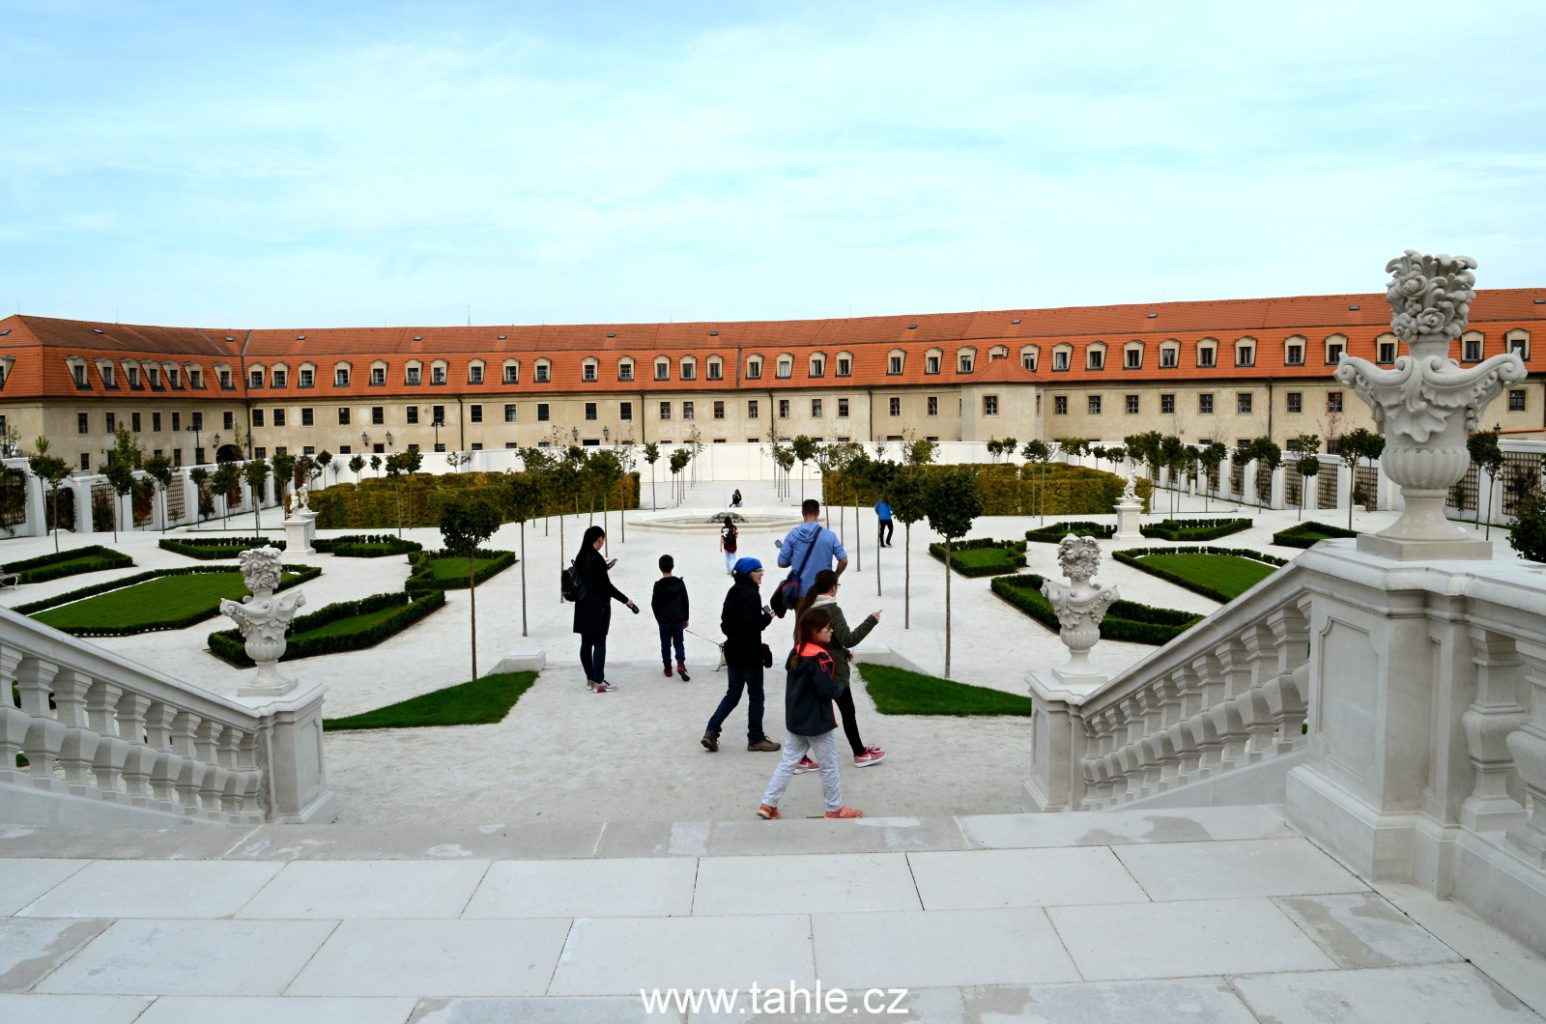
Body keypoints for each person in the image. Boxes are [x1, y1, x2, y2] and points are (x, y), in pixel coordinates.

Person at [756, 606, 863, 820]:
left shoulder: (796, 652)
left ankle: (768, 803)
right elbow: (825, 691)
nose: (831, 632)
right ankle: (834, 808)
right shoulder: (820, 658)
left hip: (797, 718)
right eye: (827, 629)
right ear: (814, 632)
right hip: (818, 721)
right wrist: (840, 686)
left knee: (787, 762)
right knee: (829, 765)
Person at [791, 570, 885, 770]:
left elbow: (824, 639)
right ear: (833, 587)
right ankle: (859, 753)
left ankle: (799, 759)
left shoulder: (808, 607)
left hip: (813, 665)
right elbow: (849, 638)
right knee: (847, 711)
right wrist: (872, 620)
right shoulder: (832, 609)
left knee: (813, 712)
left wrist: (841, 650)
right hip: (833, 670)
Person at [702, 557, 780, 753]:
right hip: (749, 654)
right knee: (756, 696)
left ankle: (711, 731)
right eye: (758, 570)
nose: (762, 573)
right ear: (749, 573)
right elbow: (752, 625)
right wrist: (767, 618)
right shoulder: (752, 595)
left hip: (733, 652)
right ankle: (755, 739)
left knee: (732, 695)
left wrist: (734, 636)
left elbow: (724, 622)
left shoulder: (733, 592)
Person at [572, 525, 638, 693]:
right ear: (599, 539)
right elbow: (607, 587)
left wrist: (604, 568)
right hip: (598, 606)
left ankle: (590, 679)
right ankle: (599, 682)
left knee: (586, 643)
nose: (603, 543)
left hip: (582, 605)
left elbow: (589, 577)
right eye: (603, 540)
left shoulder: (580, 556)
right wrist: (627, 601)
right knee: (599, 643)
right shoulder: (597, 559)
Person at [776, 499, 848, 596]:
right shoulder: (830, 535)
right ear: (818, 513)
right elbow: (844, 561)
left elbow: (781, 563)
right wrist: (835, 576)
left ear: (802, 513)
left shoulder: (792, 535)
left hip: (800, 593)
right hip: (823, 592)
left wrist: (793, 560)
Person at [651, 554, 690, 681]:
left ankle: (668, 668)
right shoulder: (679, 583)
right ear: (673, 566)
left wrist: (658, 618)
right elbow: (685, 601)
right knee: (679, 643)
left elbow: (654, 604)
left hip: (664, 621)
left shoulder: (658, 585)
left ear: (659, 567)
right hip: (678, 619)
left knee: (665, 645)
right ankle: (680, 663)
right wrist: (686, 617)